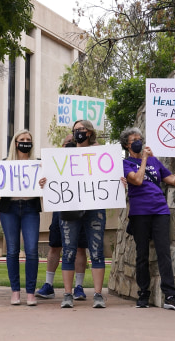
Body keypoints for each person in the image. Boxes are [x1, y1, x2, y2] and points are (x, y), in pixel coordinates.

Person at [121, 127, 175, 312]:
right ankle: (143, 294)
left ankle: (170, 296)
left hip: (160, 211)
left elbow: (172, 180)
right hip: (140, 213)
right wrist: (144, 160)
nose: (139, 141)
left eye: (140, 138)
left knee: (164, 253)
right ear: (127, 143)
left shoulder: (155, 161)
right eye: (135, 139)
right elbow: (138, 180)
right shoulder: (125, 163)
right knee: (142, 254)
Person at [53, 120, 107, 309]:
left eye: (81, 130)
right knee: (68, 251)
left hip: (95, 207)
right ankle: (67, 294)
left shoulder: (101, 154)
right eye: (75, 130)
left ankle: (98, 295)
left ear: (90, 132)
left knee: (97, 251)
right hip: (70, 206)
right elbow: (55, 175)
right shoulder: (64, 154)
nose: (78, 133)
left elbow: (109, 176)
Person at [0, 129, 42, 306]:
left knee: (32, 250)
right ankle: (15, 291)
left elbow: (49, 185)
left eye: (28, 139)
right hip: (9, 209)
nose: (25, 141)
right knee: (12, 250)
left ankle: (31, 293)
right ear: (15, 143)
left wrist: (43, 182)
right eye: (22, 139)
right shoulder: (4, 164)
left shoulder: (39, 164)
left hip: (30, 209)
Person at [35, 134, 89, 301]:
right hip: (59, 210)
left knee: (80, 247)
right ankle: (48, 285)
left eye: (73, 143)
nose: (70, 145)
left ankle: (78, 287)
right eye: (67, 143)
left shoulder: (86, 162)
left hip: (81, 209)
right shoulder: (53, 164)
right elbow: (41, 181)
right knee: (55, 246)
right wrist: (42, 182)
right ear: (62, 146)